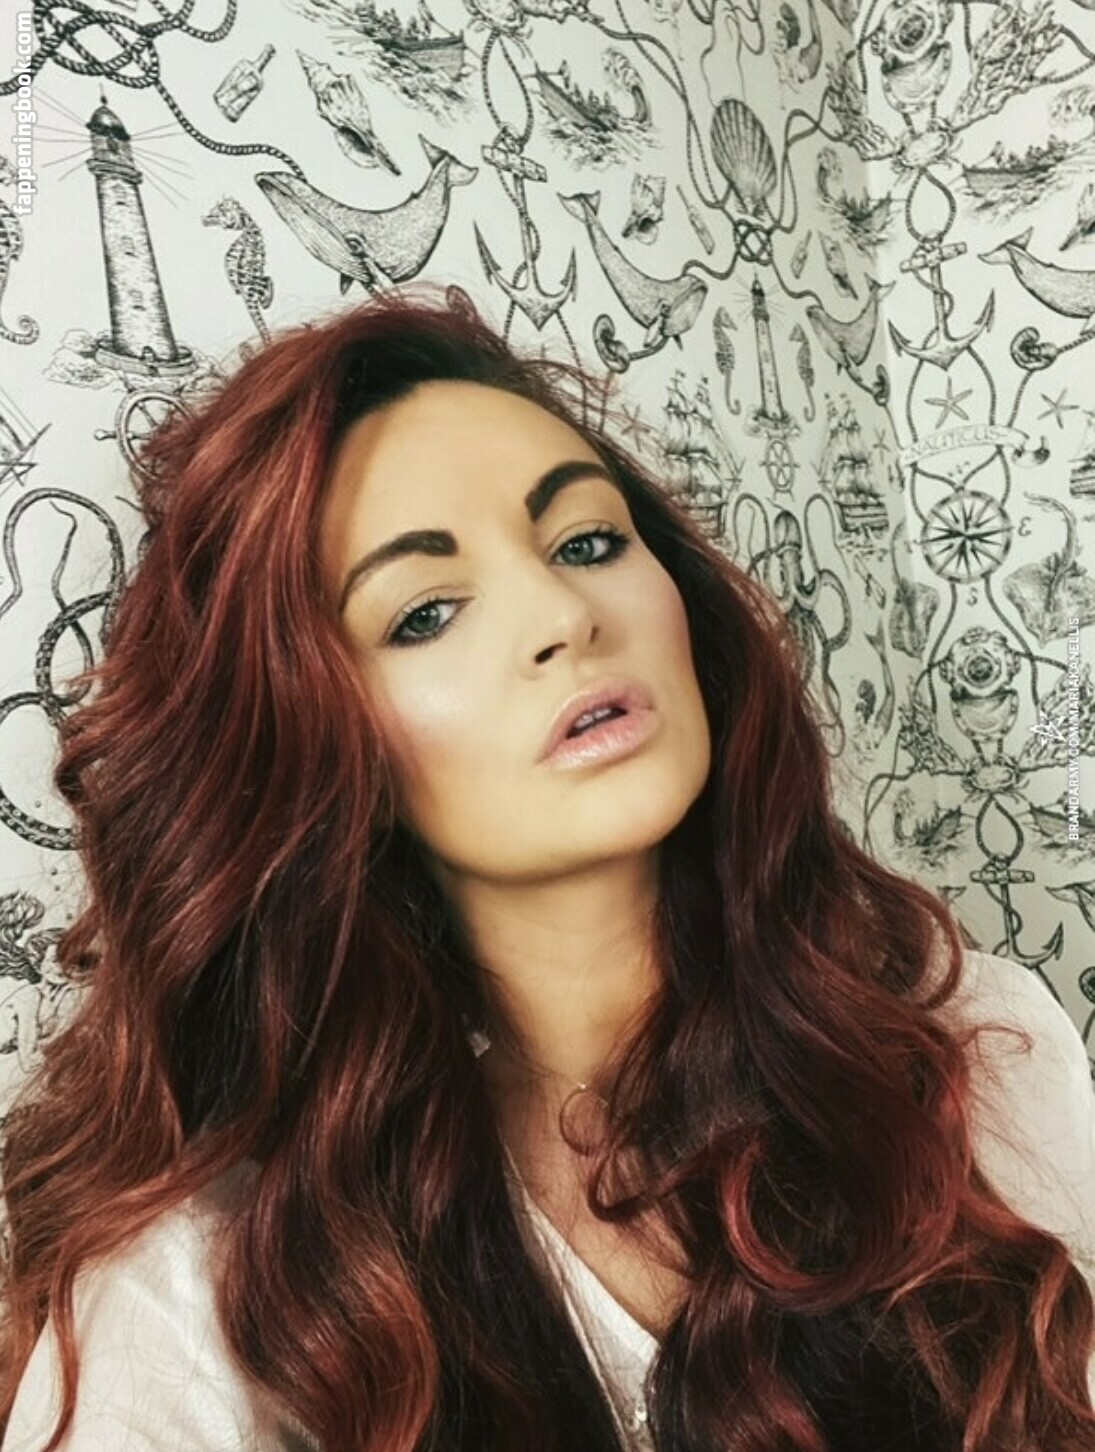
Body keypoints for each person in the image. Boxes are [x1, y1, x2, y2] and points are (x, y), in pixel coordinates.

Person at [0, 284, 1093, 1452]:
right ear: (320, 745)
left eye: (586, 541)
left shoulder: (970, 1055)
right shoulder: (218, 1280)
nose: (563, 613)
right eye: (424, 613)